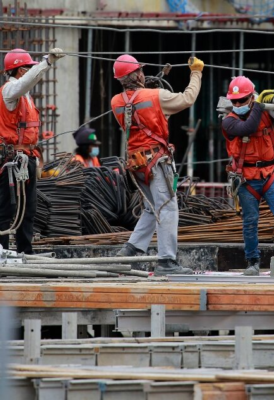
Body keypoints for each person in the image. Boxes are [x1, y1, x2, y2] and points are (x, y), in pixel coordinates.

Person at [111, 54, 204, 276]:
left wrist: (149, 92)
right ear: (137, 74)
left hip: (137, 164)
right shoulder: (156, 96)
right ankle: (167, 261)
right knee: (167, 207)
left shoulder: (116, 102)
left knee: (152, 208)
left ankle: (130, 249)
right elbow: (187, 98)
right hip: (155, 162)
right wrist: (196, 73)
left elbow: (141, 113)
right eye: (140, 71)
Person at [0, 48, 64, 255]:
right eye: (29, 69)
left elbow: (27, 84)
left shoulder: (25, 96)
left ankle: (25, 252)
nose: (32, 73)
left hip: (27, 158)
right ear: (21, 70)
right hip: (11, 159)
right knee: (6, 208)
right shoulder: (9, 91)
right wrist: (46, 62)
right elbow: (25, 83)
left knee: (28, 209)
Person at [221, 77, 274, 276]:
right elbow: (248, 128)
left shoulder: (264, 111)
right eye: (234, 101)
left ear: (251, 97)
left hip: (271, 173)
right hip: (246, 178)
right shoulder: (229, 121)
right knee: (250, 221)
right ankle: (252, 261)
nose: (237, 105)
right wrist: (259, 106)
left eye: (241, 100)